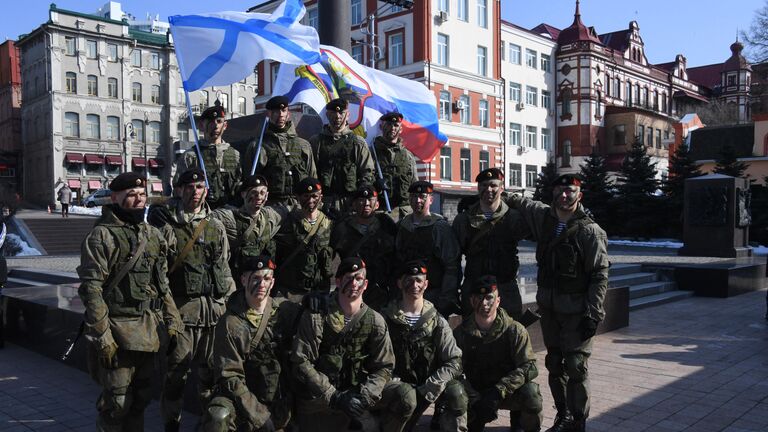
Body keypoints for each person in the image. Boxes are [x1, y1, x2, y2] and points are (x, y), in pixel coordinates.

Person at [77, 172, 182, 430]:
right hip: (117, 332)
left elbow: (161, 284)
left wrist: (173, 320)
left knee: (141, 400)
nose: (138, 199)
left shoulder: (151, 234)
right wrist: (103, 337)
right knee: (117, 403)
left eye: (142, 194)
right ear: (114, 197)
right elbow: (92, 290)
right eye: (131, 195)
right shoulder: (102, 236)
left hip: (147, 333)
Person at [508, 174, 609, 432]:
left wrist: (593, 313)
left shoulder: (590, 231)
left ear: (579, 195)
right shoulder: (545, 219)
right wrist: (497, 195)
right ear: (553, 194)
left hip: (577, 311)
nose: (565, 196)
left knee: (575, 366)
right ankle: (562, 415)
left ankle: (578, 420)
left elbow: (599, 274)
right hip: (550, 308)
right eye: (560, 191)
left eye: (570, 191)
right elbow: (523, 203)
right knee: (554, 363)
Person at [149, 168, 237, 431]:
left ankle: (209, 423)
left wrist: (229, 305)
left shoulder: (215, 225)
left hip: (214, 312)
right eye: (190, 187)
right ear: (179, 190)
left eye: (200, 187)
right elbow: (159, 271)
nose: (195, 193)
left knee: (210, 374)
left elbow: (224, 265)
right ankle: (171, 423)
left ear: (205, 191)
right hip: (182, 312)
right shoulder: (167, 225)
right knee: (176, 374)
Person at [291, 257, 395, 431]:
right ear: (338, 281)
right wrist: (334, 396)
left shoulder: (375, 321)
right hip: (319, 396)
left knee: (401, 397)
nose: (354, 283)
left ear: (366, 283)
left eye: (359, 278)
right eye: (348, 278)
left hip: (355, 394)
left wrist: (364, 397)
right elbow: (301, 361)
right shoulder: (317, 315)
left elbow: (384, 366)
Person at [203, 255, 301, 432]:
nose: (261, 284)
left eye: (266, 278)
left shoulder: (286, 311)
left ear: (272, 282)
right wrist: (258, 415)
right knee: (218, 416)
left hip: (278, 396)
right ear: (243, 280)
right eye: (255, 278)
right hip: (242, 398)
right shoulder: (230, 323)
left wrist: (316, 301)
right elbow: (230, 376)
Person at [377, 260, 467, 432]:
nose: (414, 285)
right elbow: (376, 360)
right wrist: (397, 385)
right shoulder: (385, 319)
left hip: (430, 386)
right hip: (397, 389)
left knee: (457, 394)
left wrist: (430, 387)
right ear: (399, 283)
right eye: (409, 280)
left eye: (419, 280)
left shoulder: (437, 321)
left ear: (426, 284)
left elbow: (454, 360)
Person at [454, 275, 543, 432]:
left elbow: (529, 366)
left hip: (505, 392)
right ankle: (474, 417)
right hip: (474, 393)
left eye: (489, 297)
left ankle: (520, 422)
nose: (484, 303)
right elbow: (454, 370)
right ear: (471, 301)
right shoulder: (460, 334)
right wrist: (475, 400)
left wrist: (498, 391)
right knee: (453, 392)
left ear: (498, 301)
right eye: (479, 298)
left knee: (531, 394)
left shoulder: (515, 330)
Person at [453, 168, 529, 319]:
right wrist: (452, 293)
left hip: (505, 289)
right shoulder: (463, 220)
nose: (489, 189)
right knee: (472, 337)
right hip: (474, 289)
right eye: (484, 185)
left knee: (509, 337)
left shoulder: (513, 218)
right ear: (478, 188)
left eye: (493, 185)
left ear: (501, 188)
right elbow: (452, 260)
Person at [395, 181, 461, 318]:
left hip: (433, 296)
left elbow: (452, 266)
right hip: (405, 295)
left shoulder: (440, 227)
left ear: (431, 199)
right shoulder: (402, 226)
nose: (417, 200)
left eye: (422, 196)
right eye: (413, 196)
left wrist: (446, 299)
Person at [330, 184, 397, 311]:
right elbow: (329, 260)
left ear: (377, 204)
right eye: (361, 200)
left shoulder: (387, 226)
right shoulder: (342, 228)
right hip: (352, 289)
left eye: (370, 200)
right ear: (354, 204)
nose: (366, 203)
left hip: (382, 292)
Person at [244, 95, 317, 210]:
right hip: (270, 207)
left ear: (288, 113)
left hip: (299, 207)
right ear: (269, 114)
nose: (281, 114)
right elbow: (249, 181)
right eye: (276, 111)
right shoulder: (258, 146)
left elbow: (312, 178)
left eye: (283, 110)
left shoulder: (303, 145)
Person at [309, 98, 374, 218]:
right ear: (328, 115)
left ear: (347, 115)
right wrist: (318, 202)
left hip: (350, 203)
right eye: (333, 113)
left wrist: (359, 201)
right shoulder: (316, 142)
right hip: (323, 203)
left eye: (341, 113)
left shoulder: (357, 142)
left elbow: (367, 173)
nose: (337, 116)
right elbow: (311, 174)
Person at [212, 175, 284, 281]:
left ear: (267, 195)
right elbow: (207, 216)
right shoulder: (229, 217)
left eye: (262, 193)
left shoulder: (272, 216)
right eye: (253, 193)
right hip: (241, 282)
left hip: (264, 283)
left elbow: (294, 210)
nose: (258, 197)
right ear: (243, 194)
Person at [273, 177, 333, 302]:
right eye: (306, 196)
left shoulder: (329, 224)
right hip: (292, 291)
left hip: (320, 289)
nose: (311, 201)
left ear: (321, 196)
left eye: (314, 196)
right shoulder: (287, 223)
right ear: (298, 198)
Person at [175, 101, 242, 209]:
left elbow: (239, 185)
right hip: (202, 215)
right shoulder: (191, 156)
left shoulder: (235, 155)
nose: (215, 126)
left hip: (230, 214)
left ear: (225, 125)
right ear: (202, 126)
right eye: (210, 122)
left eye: (219, 121)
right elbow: (178, 190)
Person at [372, 112, 418, 220]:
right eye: (388, 124)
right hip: (380, 212)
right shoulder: (372, 152)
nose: (392, 128)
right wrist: (375, 185)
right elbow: (363, 180)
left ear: (401, 129)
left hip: (404, 214)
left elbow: (414, 185)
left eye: (396, 125)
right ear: (381, 126)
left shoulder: (408, 156)